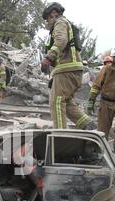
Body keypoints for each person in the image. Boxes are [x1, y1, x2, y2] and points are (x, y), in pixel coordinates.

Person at [42, 2, 96, 130]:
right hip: (72, 70)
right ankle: (89, 126)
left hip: (67, 69)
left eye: (47, 18)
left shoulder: (60, 22)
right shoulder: (65, 23)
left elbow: (61, 40)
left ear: (54, 14)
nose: (47, 22)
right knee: (67, 102)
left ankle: (60, 136)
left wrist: (48, 57)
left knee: (57, 103)